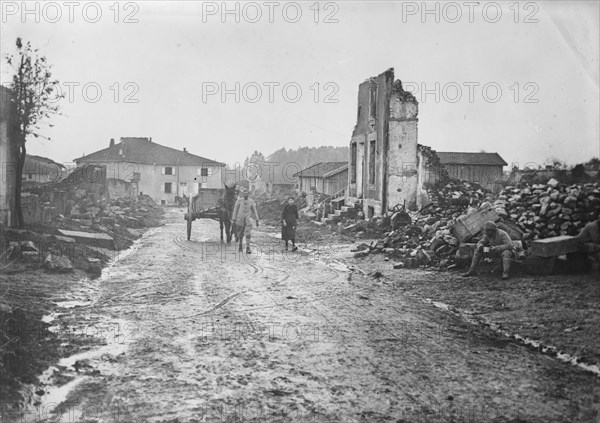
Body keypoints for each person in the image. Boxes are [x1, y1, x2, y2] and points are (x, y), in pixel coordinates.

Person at [232, 188, 260, 253]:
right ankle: (240, 245)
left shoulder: (251, 201)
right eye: (244, 193)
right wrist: (234, 219)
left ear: (248, 194)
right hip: (239, 220)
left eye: (247, 193)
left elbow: (254, 211)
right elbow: (235, 210)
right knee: (240, 233)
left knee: (248, 234)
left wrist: (257, 219)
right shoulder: (239, 201)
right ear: (243, 194)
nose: (245, 194)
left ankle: (248, 248)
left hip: (248, 220)